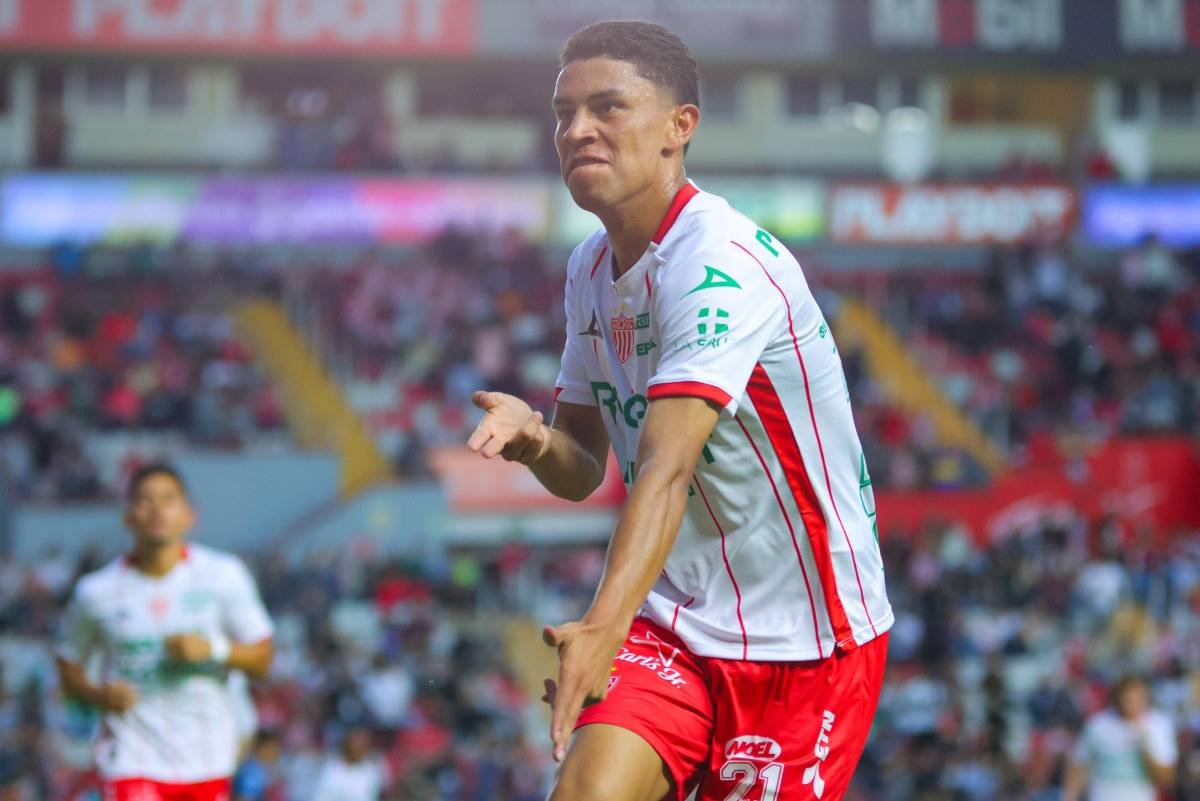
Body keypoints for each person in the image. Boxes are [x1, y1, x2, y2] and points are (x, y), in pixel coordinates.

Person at [467, 20, 892, 801]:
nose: (576, 129)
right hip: (675, 619)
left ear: (679, 126)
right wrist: (536, 440)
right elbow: (582, 465)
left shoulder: (718, 261)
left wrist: (601, 625)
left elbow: (666, 466)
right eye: (564, 113)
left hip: (805, 640)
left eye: (607, 107)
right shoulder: (590, 266)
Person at [55, 463, 275, 801]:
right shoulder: (96, 592)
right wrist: (97, 695)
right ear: (128, 517)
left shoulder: (223, 576)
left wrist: (213, 649)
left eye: (169, 499)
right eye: (145, 500)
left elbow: (263, 659)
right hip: (130, 759)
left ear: (190, 514)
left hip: (208, 760)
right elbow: (67, 663)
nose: (158, 510)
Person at [1064, 675, 1177, 801]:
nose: (1133, 704)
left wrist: (1145, 748)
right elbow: (1079, 764)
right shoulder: (1098, 724)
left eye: (1137, 698)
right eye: (1128, 699)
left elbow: (1166, 779)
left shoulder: (1159, 725)